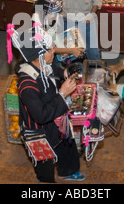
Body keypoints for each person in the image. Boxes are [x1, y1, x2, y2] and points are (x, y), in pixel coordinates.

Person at [7, 21, 85, 183]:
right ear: (39, 56)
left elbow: (53, 75)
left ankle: (67, 171)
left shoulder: (44, 66)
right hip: (39, 131)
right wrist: (62, 93)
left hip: (56, 120)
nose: (54, 51)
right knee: (45, 163)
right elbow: (41, 115)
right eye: (50, 49)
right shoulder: (27, 84)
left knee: (66, 146)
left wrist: (65, 73)